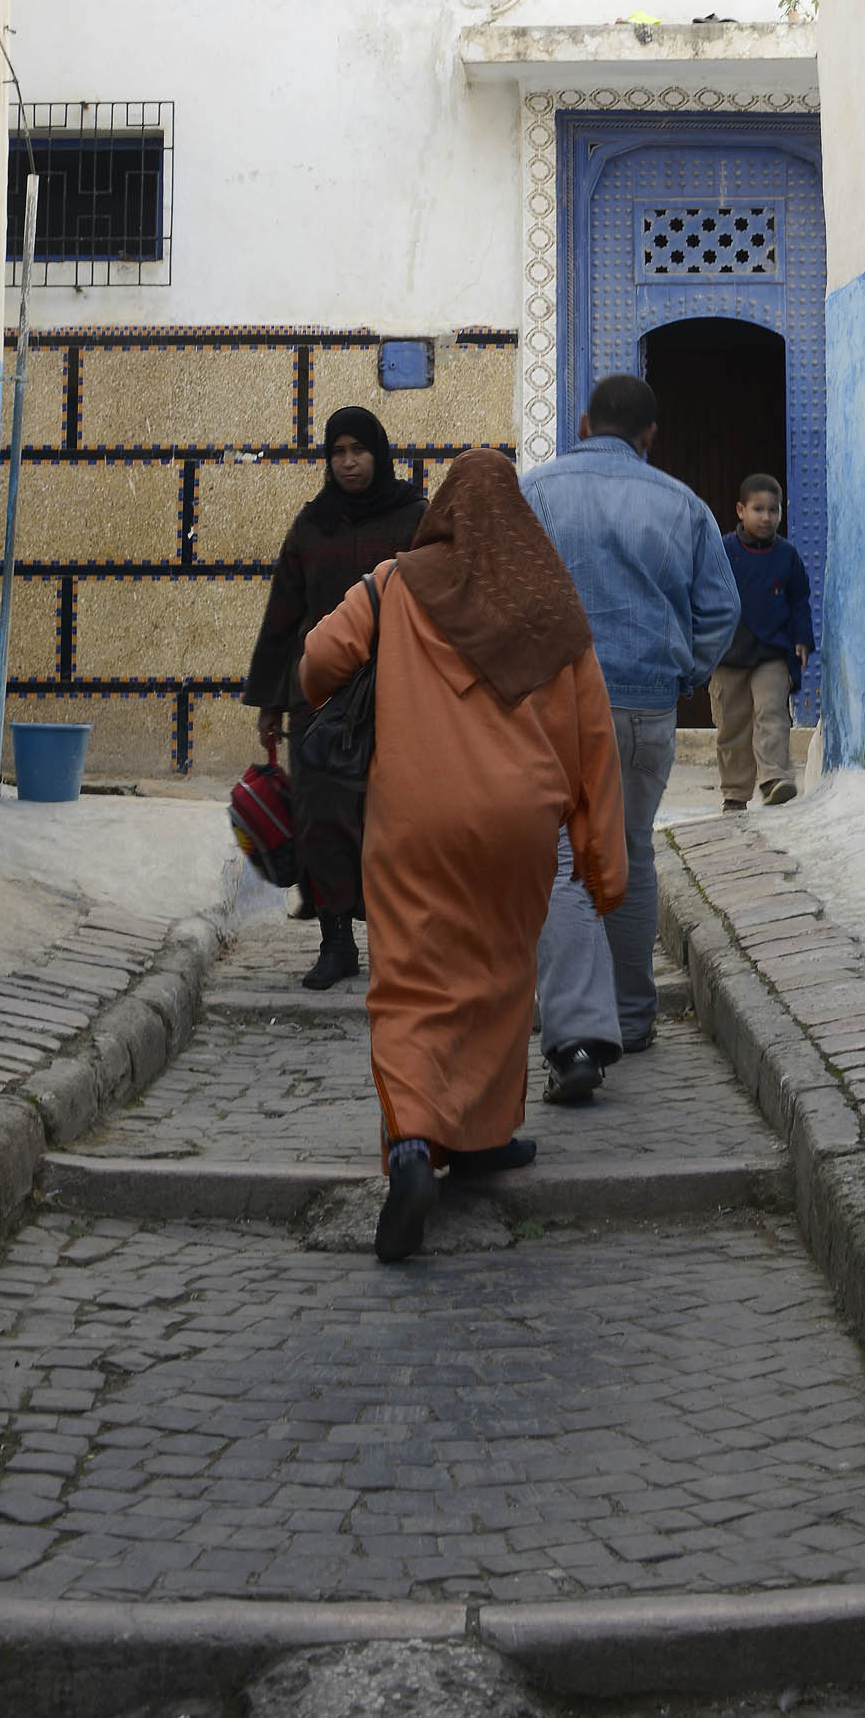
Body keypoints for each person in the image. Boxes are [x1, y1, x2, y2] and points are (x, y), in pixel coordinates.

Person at [301, 448, 627, 1262]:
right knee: (500, 973)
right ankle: (482, 1137)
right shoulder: (553, 604)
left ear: (443, 511)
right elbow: (594, 738)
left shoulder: (395, 583)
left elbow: (318, 662)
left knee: (412, 979)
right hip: (520, 824)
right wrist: (600, 855)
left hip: (413, 817)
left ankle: (415, 1143)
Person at [521, 373, 739, 1101]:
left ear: (583, 423)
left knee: (565, 858)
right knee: (632, 849)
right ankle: (635, 1015)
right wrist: (685, 671)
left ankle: (577, 1027)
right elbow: (720, 608)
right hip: (647, 708)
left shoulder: (537, 491)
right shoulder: (684, 504)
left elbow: (500, 594)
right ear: (650, 435)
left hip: (559, 705)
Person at [241, 406, 425, 989]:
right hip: (317, 699)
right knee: (321, 817)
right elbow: (283, 615)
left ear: (379, 453)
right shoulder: (312, 525)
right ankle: (336, 942)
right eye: (338, 453)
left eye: (358, 451)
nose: (348, 463)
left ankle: (400, 949)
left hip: (396, 696)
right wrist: (271, 701)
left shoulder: (414, 518)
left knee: (394, 821)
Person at [710, 472, 815, 812]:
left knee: (772, 713)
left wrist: (802, 639)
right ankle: (735, 792)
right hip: (729, 653)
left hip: (773, 650)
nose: (766, 517)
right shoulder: (723, 551)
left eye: (773, 510)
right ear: (740, 510)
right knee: (732, 724)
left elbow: (799, 599)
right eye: (758, 509)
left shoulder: (787, 555)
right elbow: (705, 594)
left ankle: (774, 779)